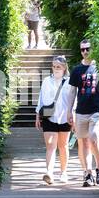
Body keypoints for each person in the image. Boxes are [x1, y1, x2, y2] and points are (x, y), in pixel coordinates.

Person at [69, 39, 99, 187]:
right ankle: (87, 173)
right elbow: (72, 92)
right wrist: (69, 112)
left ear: (93, 49)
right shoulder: (76, 70)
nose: (85, 51)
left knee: (93, 137)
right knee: (83, 143)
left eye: (88, 48)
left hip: (96, 110)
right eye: (83, 49)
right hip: (80, 111)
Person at [35, 55, 73, 184]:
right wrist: (37, 115)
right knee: (50, 146)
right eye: (54, 66)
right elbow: (41, 98)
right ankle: (49, 173)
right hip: (49, 117)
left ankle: (63, 172)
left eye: (58, 66)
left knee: (63, 146)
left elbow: (74, 100)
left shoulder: (69, 81)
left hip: (65, 118)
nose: (55, 69)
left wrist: (73, 115)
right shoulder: (46, 81)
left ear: (64, 67)